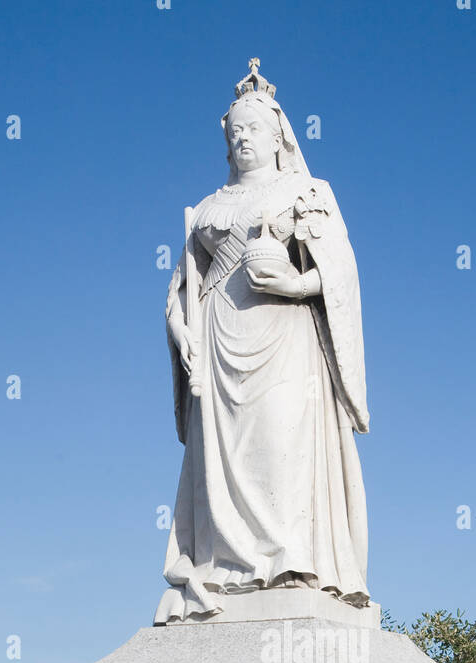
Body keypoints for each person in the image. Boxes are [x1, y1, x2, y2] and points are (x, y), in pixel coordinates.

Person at [154, 59, 371, 623]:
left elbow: (342, 271)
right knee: (221, 466)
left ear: (278, 135)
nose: (243, 137)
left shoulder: (307, 190)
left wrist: (300, 284)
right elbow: (177, 293)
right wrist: (183, 338)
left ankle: (291, 564)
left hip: (284, 339)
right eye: (235, 131)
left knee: (281, 450)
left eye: (253, 129)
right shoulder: (205, 208)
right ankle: (223, 572)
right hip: (216, 345)